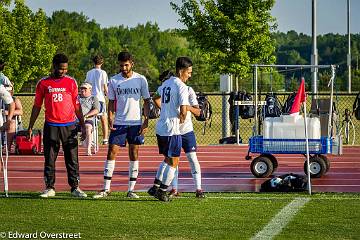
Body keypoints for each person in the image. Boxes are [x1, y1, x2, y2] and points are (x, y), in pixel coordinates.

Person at [27, 53, 87, 198]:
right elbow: (36, 106)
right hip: (51, 126)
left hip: (70, 126)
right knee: (49, 158)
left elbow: (77, 105)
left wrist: (83, 124)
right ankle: (49, 187)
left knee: (72, 158)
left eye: (66, 69)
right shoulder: (43, 83)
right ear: (54, 66)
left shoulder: (71, 82)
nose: (64, 71)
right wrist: (30, 126)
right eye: (61, 69)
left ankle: (75, 187)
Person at [93, 51, 150, 199]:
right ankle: (106, 189)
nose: (123, 68)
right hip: (119, 123)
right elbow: (111, 102)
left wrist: (146, 120)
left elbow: (146, 101)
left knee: (134, 154)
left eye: (126, 65)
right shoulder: (113, 80)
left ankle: (131, 190)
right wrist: (110, 117)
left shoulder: (141, 79)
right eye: (121, 65)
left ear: (132, 63)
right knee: (111, 152)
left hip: (136, 123)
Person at [151, 70, 205, 199]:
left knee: (191, 159)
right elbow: (156, 98)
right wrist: (166, 109)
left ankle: (198, 189)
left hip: (185, 130)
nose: (164, 82)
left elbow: (198, 112)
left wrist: (186, 108)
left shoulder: (187, 89)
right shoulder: (170, 86)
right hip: (172, 129)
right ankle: (170, 188)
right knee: (171, 160)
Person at [147, 57, 191, 202]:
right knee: (174, 161)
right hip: (172, 128)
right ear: (181, 71)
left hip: (161, 127)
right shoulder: (181, 86)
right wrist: (181, 118)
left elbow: (155, 97)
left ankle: (155, 186)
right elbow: (184, 110)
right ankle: (163, 191)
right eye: (188, 72)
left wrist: (165, 109)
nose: (189, 75)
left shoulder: (166, 83)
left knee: (167, 159)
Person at [85, 55, 109, 145]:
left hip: (91, 98)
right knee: (104, 118)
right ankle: (105, 139)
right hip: (100, 98)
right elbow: (105, 87)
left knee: (91, 119)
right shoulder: (103, 73)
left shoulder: (89, 73)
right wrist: (109, 96)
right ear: (102, 63)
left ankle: (91, 140)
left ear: (93, 62)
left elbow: (87, 85)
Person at [79, 82, 100, 156]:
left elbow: (96, 110)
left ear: (90, 90)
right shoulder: (76, 97)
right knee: (65, 127)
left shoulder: (93, 98)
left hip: (88, 119)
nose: (82, 90)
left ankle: (88, 149)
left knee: (88, 127)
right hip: (75, 119)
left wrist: (86, 116)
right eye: (81, 88)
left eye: (85, 88)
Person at [4, 83, 23, 152]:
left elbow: (20, 111)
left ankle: (7, 148)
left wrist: (8, 113)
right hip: (1, 120)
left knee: (11, 123)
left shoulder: (15, 100)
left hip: (12, 122)